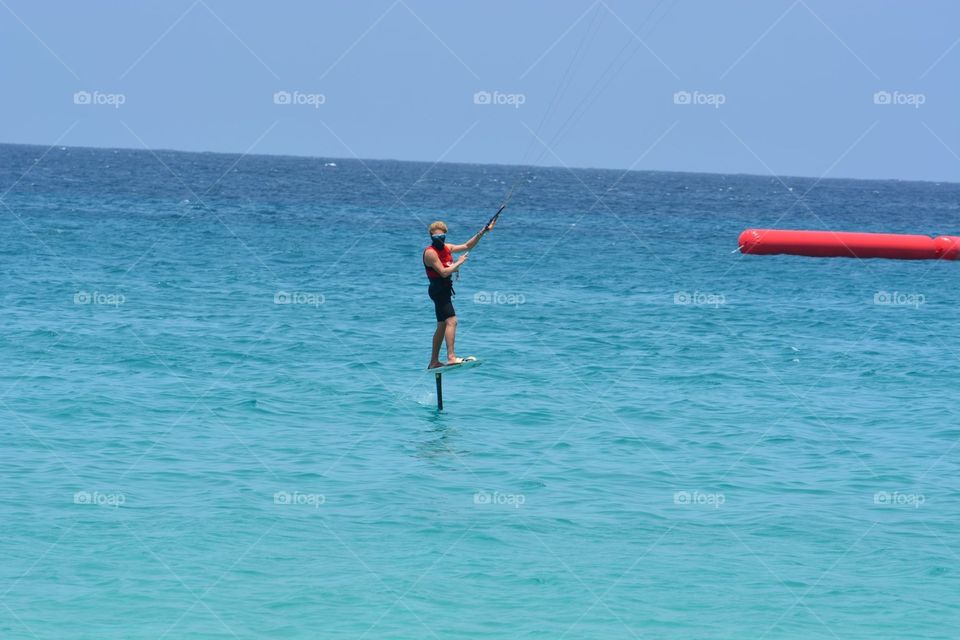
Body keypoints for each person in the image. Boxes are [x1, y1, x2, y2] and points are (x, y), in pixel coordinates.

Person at [423, 218, 496, 369]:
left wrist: (483, 231)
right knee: (452, 321)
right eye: (436, 237)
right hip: (438, 290)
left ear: (445, 236)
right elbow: (443, 272)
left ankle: (433, 362)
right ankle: (451, 357)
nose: (439, 240)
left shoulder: (447, 248)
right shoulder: (430, 253)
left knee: (442, 325)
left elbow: (467, 245)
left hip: (444, 290)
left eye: (442, 237)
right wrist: (459, 262)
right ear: (430, 235)